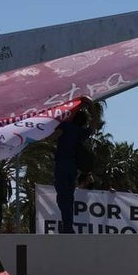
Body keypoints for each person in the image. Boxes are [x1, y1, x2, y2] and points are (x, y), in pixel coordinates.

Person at [53, 98, 94, 234]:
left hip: (62, 167)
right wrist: (89, 106)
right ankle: (68, 225)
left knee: (62, 197)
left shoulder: (67, 127)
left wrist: (77, 106)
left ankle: (67, 227)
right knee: (69, 198)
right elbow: (94, 125)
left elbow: (53, 129)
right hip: (72, 169)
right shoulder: (81, 133)